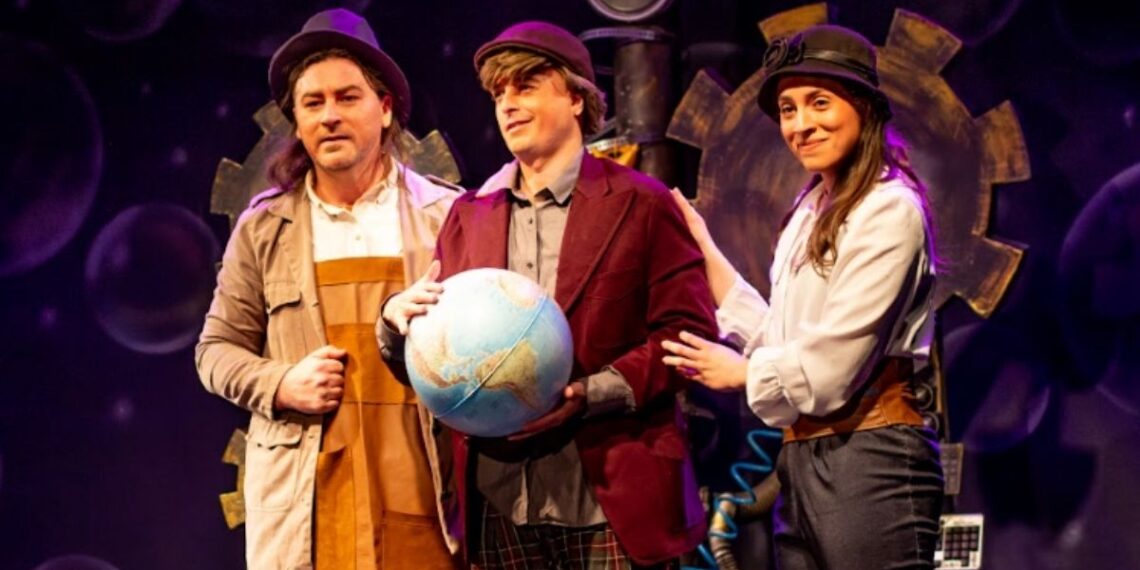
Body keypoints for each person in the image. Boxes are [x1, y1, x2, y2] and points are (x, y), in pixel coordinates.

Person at [378, 21, 716, 570]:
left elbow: (689, 334)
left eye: (526, 86)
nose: (508, 104)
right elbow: (440, 355)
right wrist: (396, 326)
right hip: (500, 498)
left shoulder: (643, 203)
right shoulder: (467, 217)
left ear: (577, 99)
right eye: (499, 94)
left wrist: (592, 393)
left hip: (609, 497)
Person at [661, 24, 944, 570]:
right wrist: (702, 247)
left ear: (864, 107)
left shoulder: (888, 210)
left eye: (819, 103)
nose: (800, 125)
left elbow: (831, 369)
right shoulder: (811, 210)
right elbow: (783, 339)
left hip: (870, 457)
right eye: (788, 110)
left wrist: (742, 373)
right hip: (803, 455)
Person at [195, 8, 461, 569]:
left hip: (421, 489)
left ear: (385, 109)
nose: (330, 116)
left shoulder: (447, 216)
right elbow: (214, 353)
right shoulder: (265, 228)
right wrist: (281, 383)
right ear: (296, 121)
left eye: (347, 97)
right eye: (312, 103)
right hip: (308, 503)